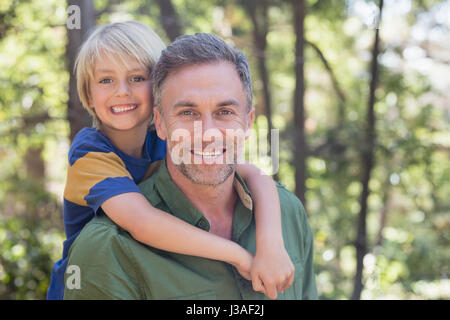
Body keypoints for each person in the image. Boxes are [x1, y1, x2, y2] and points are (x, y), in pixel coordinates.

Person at [47, 21, 294, 300]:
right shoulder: (89, 152)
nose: (122, 91)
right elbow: (142, 222)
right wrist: (239, 256)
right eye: (106, 80)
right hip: (90, 281)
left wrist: (271, 243)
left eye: (137, 78)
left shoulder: (165, 135)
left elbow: (255, 175)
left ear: (159, 89)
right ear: (89, 95)